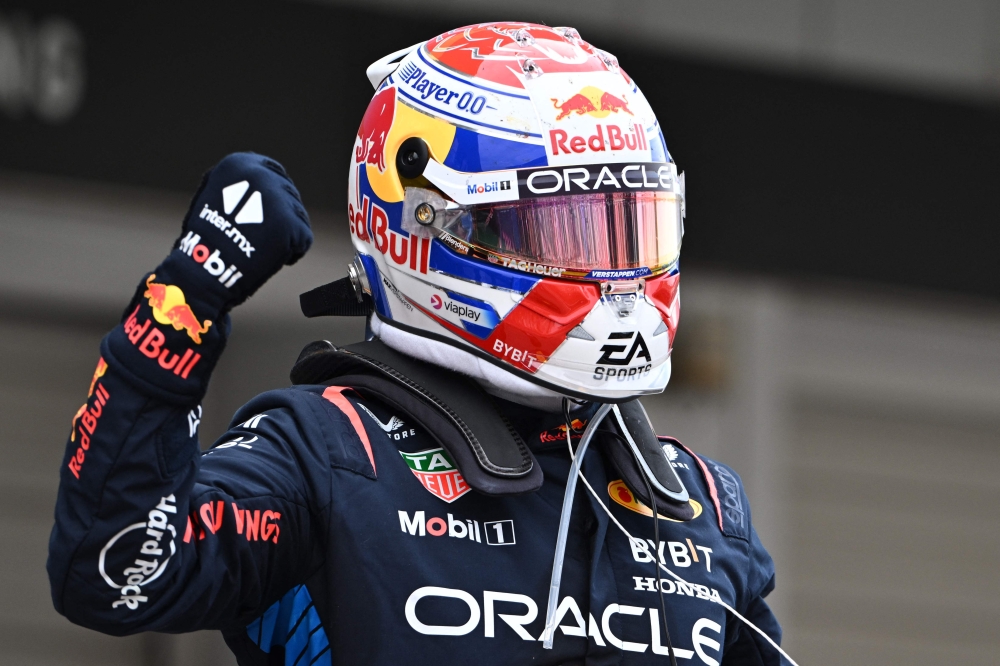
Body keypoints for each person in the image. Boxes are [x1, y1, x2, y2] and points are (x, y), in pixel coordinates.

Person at [48, 23, 793, 666]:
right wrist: (185, 300)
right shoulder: (331, 457)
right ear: (426, 225)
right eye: (564, 231)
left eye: (630, 228)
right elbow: (112, 575)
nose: (614, 272)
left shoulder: (700, 505)